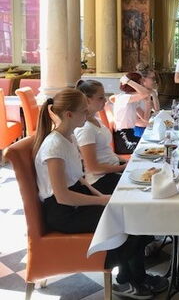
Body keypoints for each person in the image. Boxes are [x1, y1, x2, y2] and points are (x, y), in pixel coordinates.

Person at [33, 88, 168, 299]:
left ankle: (134, 277)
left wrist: (101, 197)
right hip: (63, 212)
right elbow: (62, 196)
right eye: (83, 111)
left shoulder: (68, 138)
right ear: (69, 114)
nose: (87, 114)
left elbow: (80, 179)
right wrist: (104, 200)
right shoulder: (54, 146)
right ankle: (127, 281)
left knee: (134, 214)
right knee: (128, 220)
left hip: (73, 203)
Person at [75, 80, 125, 194]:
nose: (105, 100)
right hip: (100, 179)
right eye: (101, 98)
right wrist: (122, 168)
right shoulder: (85, 128)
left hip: (112, 169)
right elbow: (93, 168)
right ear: (87, 100)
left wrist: (126, 162)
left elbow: (106, 151)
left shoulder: (96, 120)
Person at [111, 73, 152, 154]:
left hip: (130, 135)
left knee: (152, 145)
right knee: (149, 149)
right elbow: (146, 93)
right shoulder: (123, 98)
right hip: (123, 139)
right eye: (141, 83)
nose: (143, 85)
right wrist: (128, 81)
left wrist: (148, 102)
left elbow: (145, 119)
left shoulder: (132, 100)